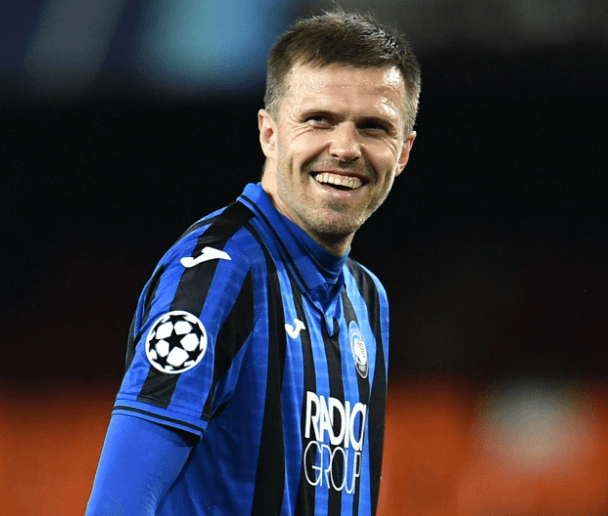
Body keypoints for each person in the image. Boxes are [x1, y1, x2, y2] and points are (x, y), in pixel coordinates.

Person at [86, 8, 420, 516]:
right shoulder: (219, 273)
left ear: (403, 152)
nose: (346, 148)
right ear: (269, 132)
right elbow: (118, 503)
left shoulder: (368, 300)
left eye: (374, 127)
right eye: (319, 120)